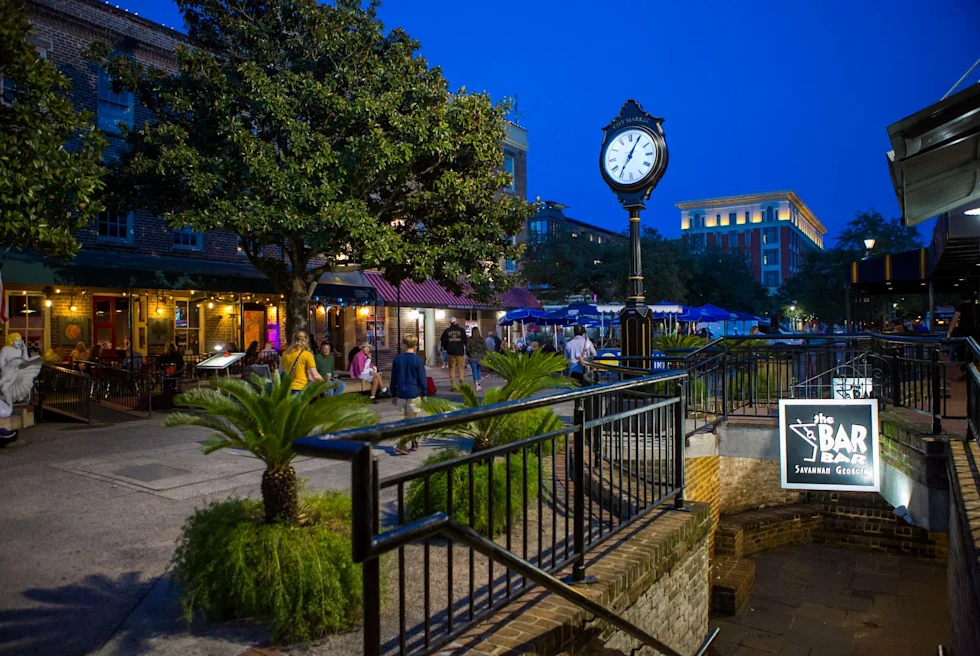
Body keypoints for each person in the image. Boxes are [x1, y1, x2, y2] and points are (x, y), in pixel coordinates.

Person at [391, 334, 428, 455]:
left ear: (404, 345)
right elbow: (422, 379)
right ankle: (402, 444)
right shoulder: (418, 360)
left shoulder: (398, 359)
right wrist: (424, 393)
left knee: (407, 419)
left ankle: (413, 440)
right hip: (413, 393)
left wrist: (393, 394)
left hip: (401, 392)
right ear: (415, 346)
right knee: (411, 420)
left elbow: (393, 379)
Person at [440, 316, 468, 390]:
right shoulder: (461, 330)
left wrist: (446, 347)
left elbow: (443, 341)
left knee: (452, 368)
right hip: (459, 351)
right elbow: (465, 340)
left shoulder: (447, 331)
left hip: (450, 352)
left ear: (450, 323)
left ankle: (453, 385)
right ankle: (461, 380)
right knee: (460, 367)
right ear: (456, 322)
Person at [466, 326, 486, 391]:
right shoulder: (482, 339)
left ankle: (477, 384)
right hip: (480, 357)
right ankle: (479, 382)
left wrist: (468, 354)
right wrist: (484, 355)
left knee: (474, 371)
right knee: (478, 370)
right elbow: (485, 348)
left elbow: (467, 349)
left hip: (472, 357)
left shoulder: (470, 340)